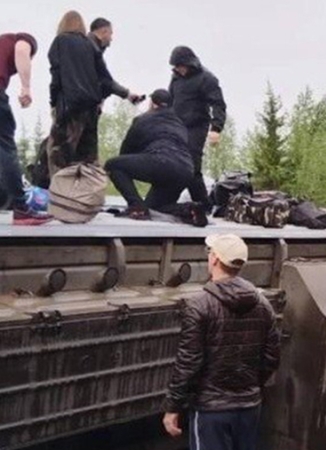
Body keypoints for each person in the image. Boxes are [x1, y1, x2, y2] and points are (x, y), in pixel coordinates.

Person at [163, 234, 280, 450]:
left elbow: (189, 362)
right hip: (249, 407)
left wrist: (173, 407)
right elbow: (272, 357)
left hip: (211, 409)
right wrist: (250, 385)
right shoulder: (263, 305)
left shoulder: (200, 305)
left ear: (215, 259)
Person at [104, 89, 205, 224]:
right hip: (186, 170)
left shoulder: (142, 119)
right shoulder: (180, 124)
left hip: (161, 161)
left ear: (153, 104)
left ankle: (136, 207)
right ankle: (190, 209)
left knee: (113, 165)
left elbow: (125, 153)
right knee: (154, 208)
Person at [47, 10, 111, 175]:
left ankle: (62, 193)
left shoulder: (60, 42)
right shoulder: (90, 45)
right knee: (88, 156)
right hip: (91, 107)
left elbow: (56, 76)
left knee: (59, 153)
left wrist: (53, 102)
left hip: (70, 105)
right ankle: (87, 194)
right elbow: (103, 77)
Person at [0, 32, 52, 225]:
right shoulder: (22, 40)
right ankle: (22, 209)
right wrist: (26, 87)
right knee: (5, 148)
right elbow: (22, 50)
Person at [168, 46, 227, 212]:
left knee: (192, 165)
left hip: (197, 126)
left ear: (190, 63)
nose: (179, 69)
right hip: (177, 126)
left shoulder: (207, 79)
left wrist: (216, 128)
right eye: (176, 67)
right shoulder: (176, 79)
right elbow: (171, 100)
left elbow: (218, 104)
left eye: (181, 66)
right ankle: (167, 200)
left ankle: (204, 205)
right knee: (173, 164)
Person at [87, 17, 141, 105]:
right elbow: (106, 80)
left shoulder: (86, 47)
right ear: (103, 32)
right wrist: (127, 94)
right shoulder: (93, 50)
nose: (111, 39)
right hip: (84, 104)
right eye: (110, 34)